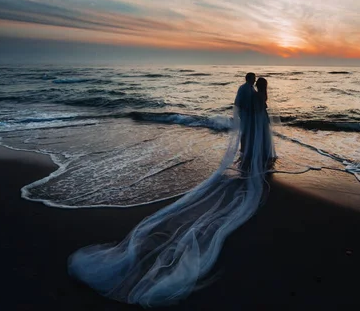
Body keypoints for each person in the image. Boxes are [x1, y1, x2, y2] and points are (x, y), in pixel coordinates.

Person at [67, 73, 276, 307]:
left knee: (248, 141)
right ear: (255, 81)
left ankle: (247, 156)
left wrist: (241, 121)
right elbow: (259, 107)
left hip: (249, 122)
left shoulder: (243, 90)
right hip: (257, 121)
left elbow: (239, 107)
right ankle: (254, 157)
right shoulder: (258, 93)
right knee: (256, 143)